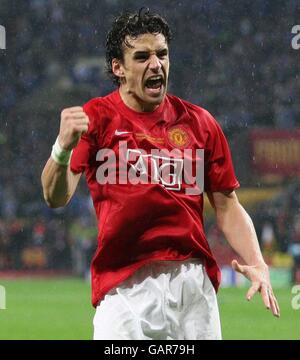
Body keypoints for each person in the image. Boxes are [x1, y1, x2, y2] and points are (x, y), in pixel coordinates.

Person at [41, 8, 280, 340]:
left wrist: (256, 261)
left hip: (193, 287)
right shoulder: (97, 117)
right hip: (124, 284)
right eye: (142, 57)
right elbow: (56, 196)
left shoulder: (200, 123)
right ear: (118, 68)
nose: (156, 64)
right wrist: (62, 149)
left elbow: (227, 205)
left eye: (162, 54)